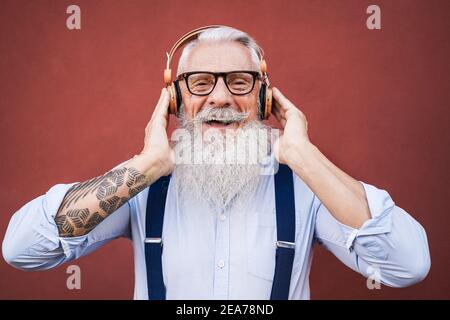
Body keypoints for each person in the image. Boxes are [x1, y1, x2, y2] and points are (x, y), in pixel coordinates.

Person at [2, 26, 430, 299]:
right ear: (176, 99)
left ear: (264, 97)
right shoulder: (142, 185)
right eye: (201, 82)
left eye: (240, 82)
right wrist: (146, 166)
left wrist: (303, 155)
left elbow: (407, 265)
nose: (221, 98)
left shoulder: (307, 184)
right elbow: (22, 249)